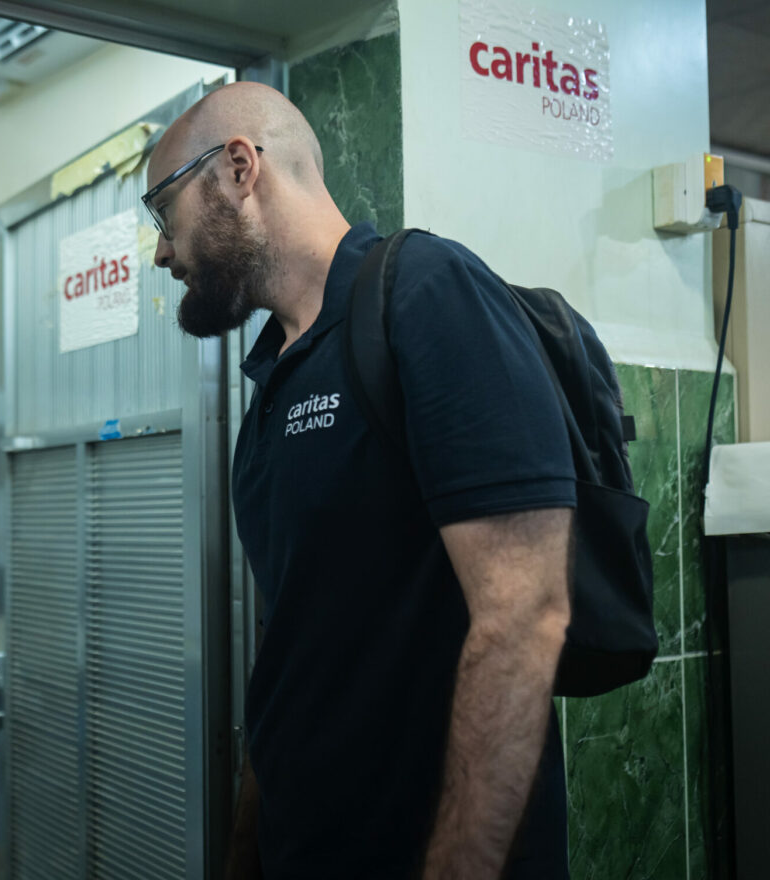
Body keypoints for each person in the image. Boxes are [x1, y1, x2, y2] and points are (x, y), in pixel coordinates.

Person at [143, 82, 574, 879]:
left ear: (238, 168)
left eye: (164, 213)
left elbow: (524, 616)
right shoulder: (273, 380)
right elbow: (291, 656)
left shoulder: (426, 293)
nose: (162, 252)